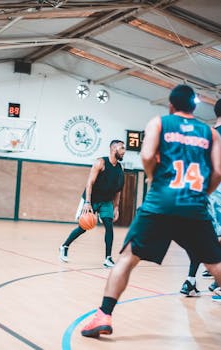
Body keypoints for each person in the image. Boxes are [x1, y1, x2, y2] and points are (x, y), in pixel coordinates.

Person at [81, 84, 221, 338]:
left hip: (160, 204)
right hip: (194, 205)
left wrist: (152, 177)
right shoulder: (210, 133)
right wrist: (203, 194)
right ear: (194, 107)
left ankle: (104, 315)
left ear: (171, 105)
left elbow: (146, 156)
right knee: (216, 263)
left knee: (127, 258)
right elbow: (218, 172)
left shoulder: (160, 123)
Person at [59, 140, 126, 268]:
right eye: (122, 148)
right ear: (113, 149)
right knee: (84, 227)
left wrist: (116, 207)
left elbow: (118, 190)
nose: (124, 151)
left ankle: (108, 258)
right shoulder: (100, 162)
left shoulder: (119, 168)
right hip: (92, 199)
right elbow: (89, 183)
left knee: (109, 226)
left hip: (106, 201)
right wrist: (87, 202)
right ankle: (64, 245)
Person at [180, 98, 221, 298]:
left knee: (203, 237)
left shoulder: (204, 135)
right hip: (217, 192)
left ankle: (191, 280)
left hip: (199, 192)